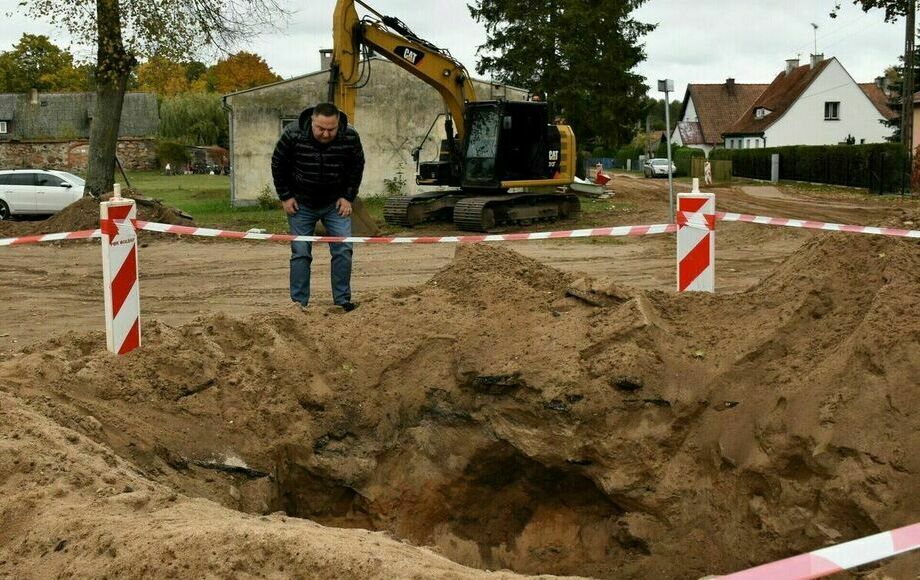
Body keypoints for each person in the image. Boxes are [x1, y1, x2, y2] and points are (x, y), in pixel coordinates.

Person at [271, 102, 365, 312]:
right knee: (301, 252)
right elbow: (278, 164)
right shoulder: (292, 134)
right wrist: (285, 196)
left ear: (338, 124)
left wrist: (348, 197)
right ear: (312, 122)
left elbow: (357, 167)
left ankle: (342, 301)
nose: (325, 134)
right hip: (301, 203)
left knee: (343, 249)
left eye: (331, 129)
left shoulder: (350, 137)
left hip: (335, 203)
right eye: (320, 129)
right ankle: (298, 304)